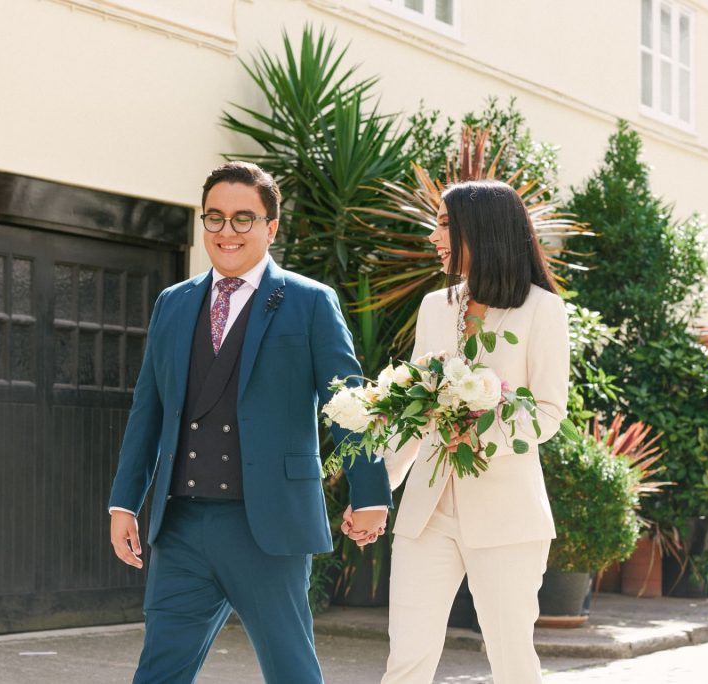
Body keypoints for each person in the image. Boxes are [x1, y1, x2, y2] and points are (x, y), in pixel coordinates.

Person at [107, 161, 391, 684]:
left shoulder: (308, 302)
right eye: (214, 218)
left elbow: (349, 403)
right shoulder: (173, 303)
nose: (227, 232)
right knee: (159, 672)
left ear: (271, 227)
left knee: (291, 672)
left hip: (269, 526)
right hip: (182, 526)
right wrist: (124, 501)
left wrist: (370, 494)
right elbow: (148, 409)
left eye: (243, 218)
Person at [345, 179, 569, 684]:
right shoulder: (435, 307)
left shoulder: (542, 310)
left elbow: (550, 411)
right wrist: (375, 491)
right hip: (428, 513)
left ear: (482, 229)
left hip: (508, 518)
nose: (433, 235)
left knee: (512, 661)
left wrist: (482, 433)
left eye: (444, 223)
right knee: (407, 659)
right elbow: (417, 413)